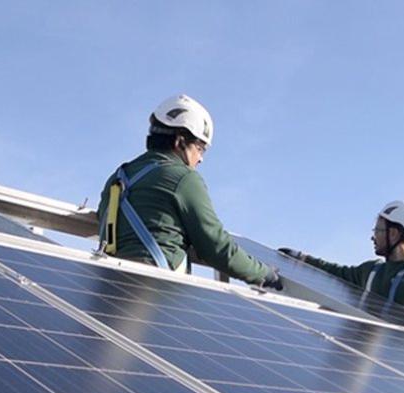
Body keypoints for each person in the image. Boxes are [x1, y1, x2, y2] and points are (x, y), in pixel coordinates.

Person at [97, 94, 281, 289]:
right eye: (200, 148)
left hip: (109, 285)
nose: (200, 159)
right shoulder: (183, 178)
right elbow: (216, 247)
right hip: (155, 292)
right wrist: (265, 273)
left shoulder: (117, 178)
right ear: (180, 142)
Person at [280, 200, 404, 336]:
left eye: (378, 230)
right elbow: (334, 272)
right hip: (372, 359)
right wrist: (302, 258)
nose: (373, 236)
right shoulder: (371, 270)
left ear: (394, 233)